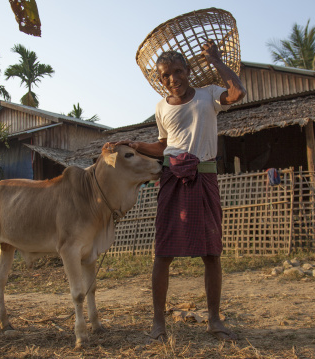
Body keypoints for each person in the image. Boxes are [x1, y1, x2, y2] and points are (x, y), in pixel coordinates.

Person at [117, 39, 246, 341]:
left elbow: (238, 92)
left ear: (188, 71)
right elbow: (163, 146)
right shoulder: (161, 107)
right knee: (162, 254)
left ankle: (214, 320)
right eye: (165, 75)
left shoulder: (208, 95)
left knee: (212, 254)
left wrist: (215, 60)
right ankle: (158, 324)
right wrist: (136, 145)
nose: (172, 79)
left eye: (177, 71)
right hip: (171, 181)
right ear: (159, 79)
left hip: (204, 179)